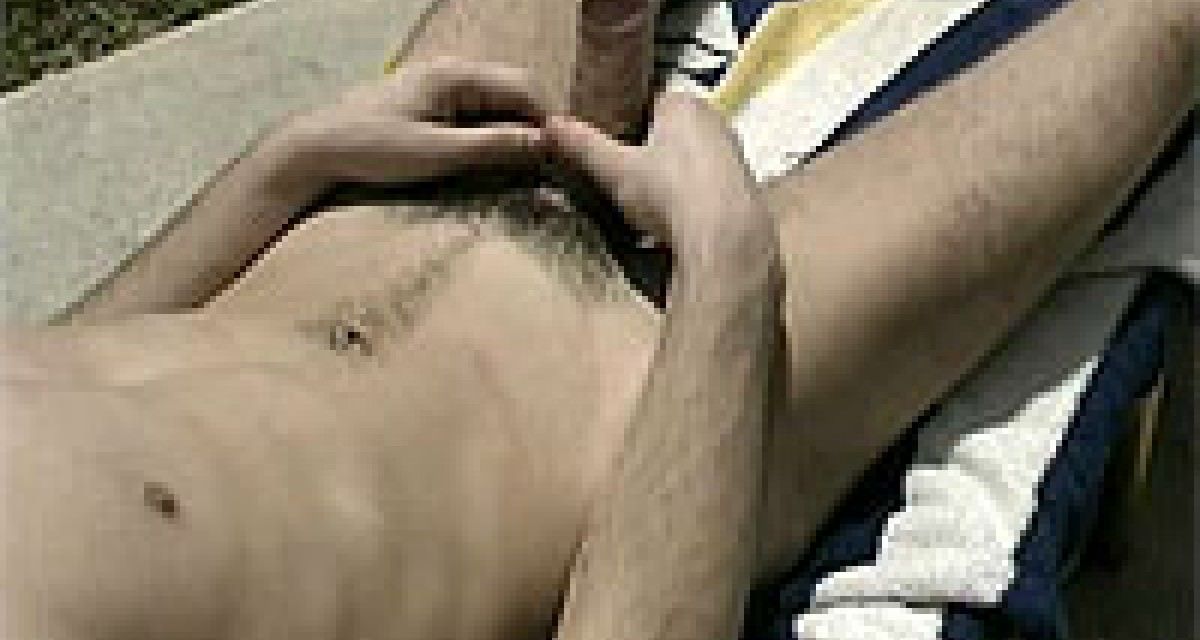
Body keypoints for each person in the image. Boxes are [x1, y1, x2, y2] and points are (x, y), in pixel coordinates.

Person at [2, 0, 1193, 637]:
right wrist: (728, 288)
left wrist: (280, 168)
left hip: (351, 209)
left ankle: (600, 76)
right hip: (630, 403)